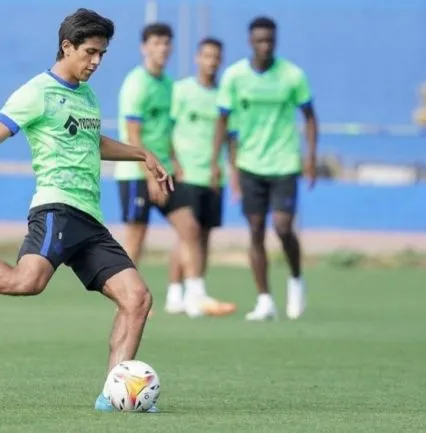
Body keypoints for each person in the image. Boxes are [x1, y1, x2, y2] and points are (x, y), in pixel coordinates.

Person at [0, 8, 171, 412]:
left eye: (102, 54)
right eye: (90, 52)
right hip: (56, 207)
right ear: (67, 46)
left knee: (137, 298)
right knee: (28, 282)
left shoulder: (87, 95)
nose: (96, 61)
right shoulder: (36, 92)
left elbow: (93, 143)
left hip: (89, 218)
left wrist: (141, 153)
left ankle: (112, 395)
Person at [113, 23, 228, 318]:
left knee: (190, 227)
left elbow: (167, 130)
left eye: (166, 43)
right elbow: (133, 134)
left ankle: (193, 295)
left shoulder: (167, 84)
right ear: (144, 47)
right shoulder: (136, 83)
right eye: (156, 43)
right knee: (137, 236)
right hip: (136, 172)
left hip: (163, 170)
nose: (162, 48)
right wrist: (148, 172)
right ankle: (129, 300)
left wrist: (173, 160)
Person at [212, 16, 318, 321]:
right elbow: (222, 121)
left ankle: (296, 278)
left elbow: (310, 117)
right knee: (256, 230)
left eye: (270, 40)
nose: (265, 46)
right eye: (259, 40)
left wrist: (310, 157)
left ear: (276, 41)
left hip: (284, 163)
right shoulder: (234, 77)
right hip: (249, 165)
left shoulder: (292, 75)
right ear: (250, 42)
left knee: (283, 227)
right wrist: (219, 164)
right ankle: (264, 300)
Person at [166, 37, 237, 317]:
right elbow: (166, 129)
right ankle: (175, 293)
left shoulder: (223, 95)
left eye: (216, 57)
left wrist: (230, 171)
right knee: (186, 234)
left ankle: (195, 293)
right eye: (206, 55)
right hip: (186, 173)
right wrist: (173, 161)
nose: (211, 61)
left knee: (203, 237)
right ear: (198, 58)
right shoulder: (181, 90)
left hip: (212, 176)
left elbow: (231, 138)